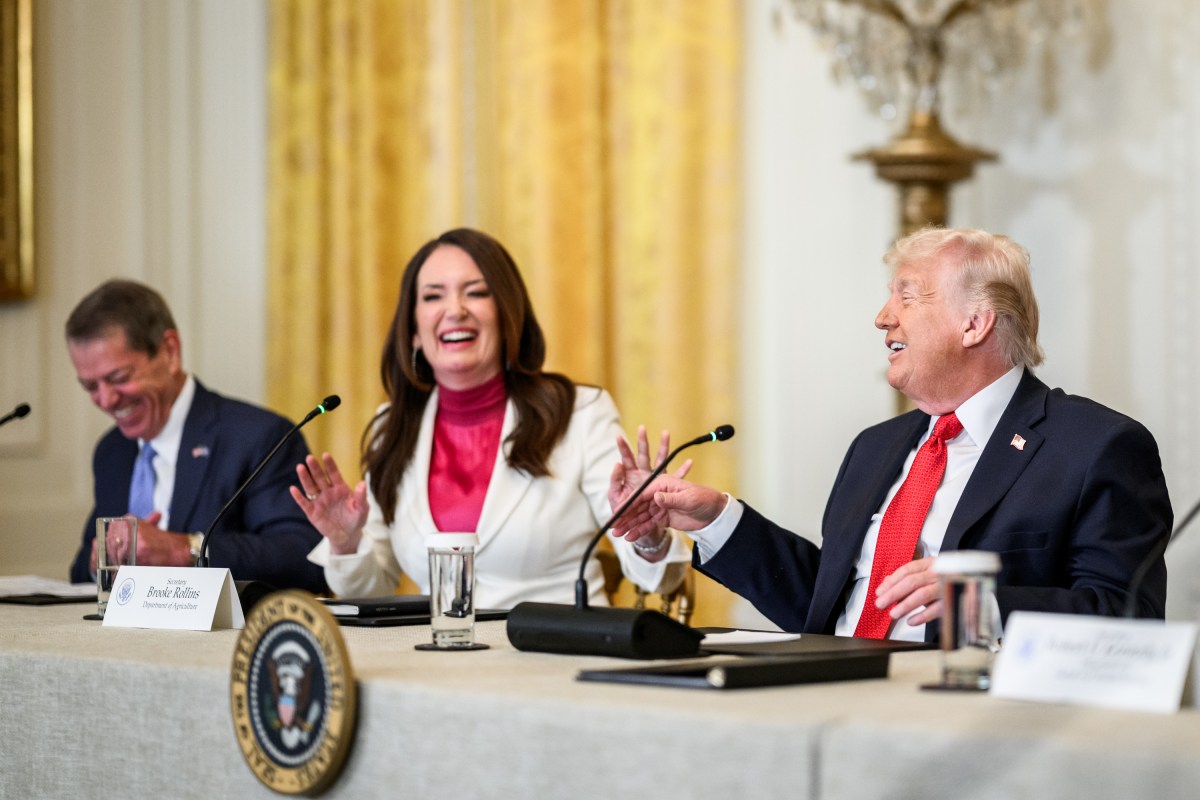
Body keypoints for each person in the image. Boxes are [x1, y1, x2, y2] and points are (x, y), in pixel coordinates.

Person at [610, 227, 1171, 641]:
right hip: (829, 689)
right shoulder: (876, 447)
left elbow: (1129, 615)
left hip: (958, 713)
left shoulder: (1095, 447)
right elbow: (827, 607)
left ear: (974, 323)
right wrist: (717, 519)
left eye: (906, 296)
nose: (883, 317)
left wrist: (981, 603)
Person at [293, 227, 689, 609]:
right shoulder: (392, 427)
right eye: (433, 297)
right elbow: (373, 589)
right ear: (413, 330)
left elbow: (660, 579)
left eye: (476, 293)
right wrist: (346, 543)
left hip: (557, 662)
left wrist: (648, 533)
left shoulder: (579, 413)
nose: (455, 310)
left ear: (506, 314)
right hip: (438, 664)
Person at [66, 279, 327, 593]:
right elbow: (80, 572)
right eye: (91, 387)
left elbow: (304, 559)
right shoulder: (112, 451)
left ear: (170, 352)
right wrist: (100, 559)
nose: (106, 400)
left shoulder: (259, 437)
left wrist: (184, 550)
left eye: (118, 378)